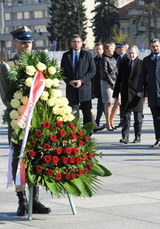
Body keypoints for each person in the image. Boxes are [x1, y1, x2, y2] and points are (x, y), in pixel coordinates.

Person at [0, 26, 51, 216]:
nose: (26, 45)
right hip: (18, 121)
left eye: (29, 42)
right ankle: (22, 201)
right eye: (22, 42)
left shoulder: (40, 65)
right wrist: (24, 107)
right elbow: (6, 97)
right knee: (19, 160)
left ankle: (35, 199)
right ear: (15, 44)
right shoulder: (7, 66)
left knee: (37, 157)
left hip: (37, 121)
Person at [61, 34, 96, 127]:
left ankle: (87, 135)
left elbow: (92, 71)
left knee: (87, 113)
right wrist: (69, 81)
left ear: (82, 43)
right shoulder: (66, 55)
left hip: (85, 89)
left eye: (78, 42)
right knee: (73, 113)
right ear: (71, 43)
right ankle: (74, 133)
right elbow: (62, 72)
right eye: (74, 42)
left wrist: (82, 81)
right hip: (71, 89)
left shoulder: (87, 55)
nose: (76, 44)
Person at [113, 45, 144, 144]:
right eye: (129, 53)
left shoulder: (142, 64)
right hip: (126, 93)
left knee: (138, 118)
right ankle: (125, 136)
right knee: (125, 117)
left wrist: (144, 93)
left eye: (133, 53)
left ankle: (137, 136)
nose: (131, 55)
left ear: (137, 53)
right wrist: (116, 94)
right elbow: (118, 80)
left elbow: (145, 80)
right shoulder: (123, 63)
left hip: (137, 94)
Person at [100, 42, 118, 131]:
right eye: (111, 49)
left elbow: (116, 71)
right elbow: (105, 73)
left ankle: (111, 119)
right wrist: (112, 84)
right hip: (106, 82)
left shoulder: (114, 59)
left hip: (115, 82)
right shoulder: (104, 59)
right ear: (106, 50)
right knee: (109, 103)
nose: (113, 50)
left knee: (118, 102)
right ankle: (108, 123)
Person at [113, 43, 128, 128]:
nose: (118, 50)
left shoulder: (127, 57)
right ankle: (122, 119)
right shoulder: (118, 58)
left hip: (126, 83)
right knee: (121, 103)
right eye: (118, 49)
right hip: (120, 82)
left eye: (120, 49)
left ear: (124, 49)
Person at [92, 43, 105, 130]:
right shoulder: (93, 60)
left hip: (103, 84)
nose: (98, 51)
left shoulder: (105, 59)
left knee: (101, 105)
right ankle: (98, 122)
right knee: (101, 105)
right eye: (97, 49)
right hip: (95, 85)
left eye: (100, 49)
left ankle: (97, 121)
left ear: (103, 50)